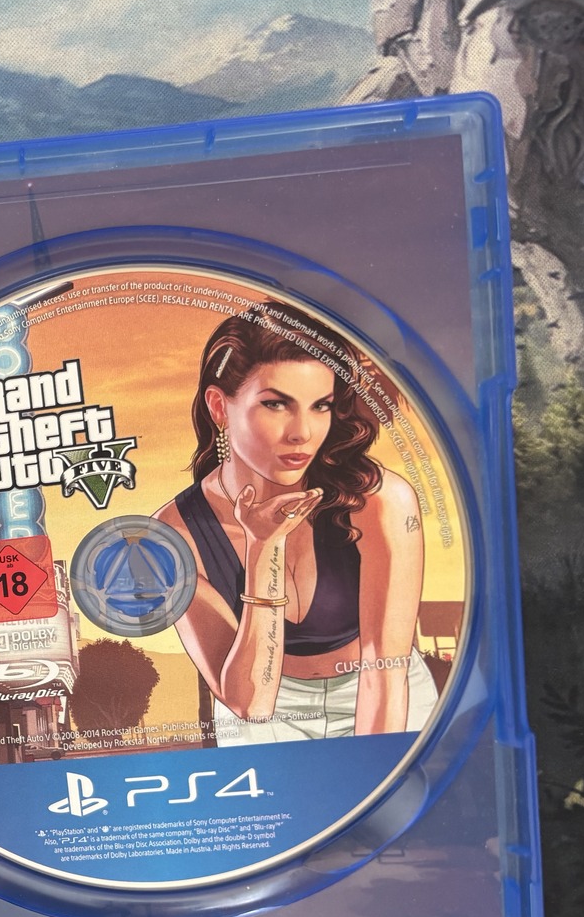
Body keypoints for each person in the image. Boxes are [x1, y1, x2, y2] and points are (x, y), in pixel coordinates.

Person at [152, 300, 437, 745]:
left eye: (321, 406)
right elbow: (251, 704)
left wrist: (375, 771)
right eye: (276, 404)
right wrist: (263, 547)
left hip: (384, 695)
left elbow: (385, 670)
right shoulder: (173, 536)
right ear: (219, 406)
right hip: (267, 715)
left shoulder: (380, 501)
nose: (302, 432)